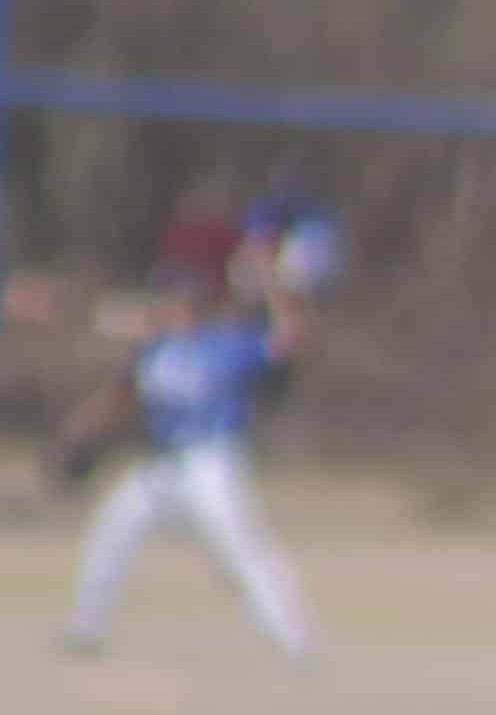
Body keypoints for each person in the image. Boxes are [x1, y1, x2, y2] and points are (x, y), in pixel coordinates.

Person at [56, 226, 314, 669]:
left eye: (176, 296)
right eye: (166, 295)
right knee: (112, 529)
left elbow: (287, 339)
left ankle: (296, 641)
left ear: (196, 302)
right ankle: (85, 629)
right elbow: (121, 395)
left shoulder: (226, 344)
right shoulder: (155, 349)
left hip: (210, 465)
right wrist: (81, 430)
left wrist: (270, 280)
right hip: (160, 469)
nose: (168, 304)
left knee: (241, 552)